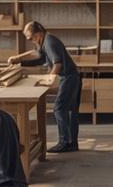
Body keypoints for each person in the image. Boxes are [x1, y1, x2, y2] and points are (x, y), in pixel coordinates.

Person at [8, 21, 81, 153]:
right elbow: (41, 60)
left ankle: (64, 142)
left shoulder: (49, 41)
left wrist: (49, 79)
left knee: (59, 109)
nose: (32, 41)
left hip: (70, 77)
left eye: (31, 38)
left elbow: (57, 64)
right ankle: (72, 143)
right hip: (71, 77)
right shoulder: (43, 42)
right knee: (70, 111)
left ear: (38, 33)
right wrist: (20, 62)